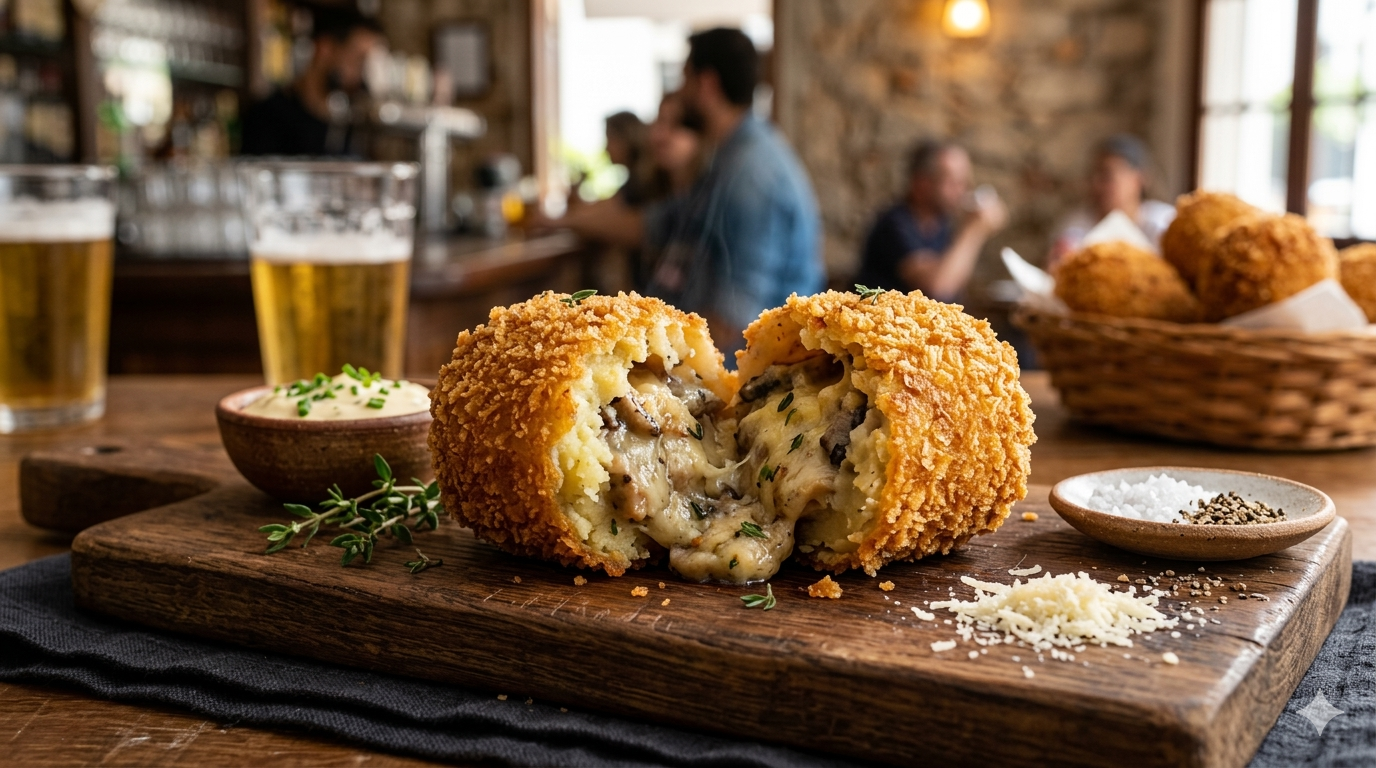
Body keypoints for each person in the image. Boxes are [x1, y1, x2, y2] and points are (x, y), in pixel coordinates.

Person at [643, 28, 823, 355]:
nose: (680, 92)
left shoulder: (750, 171)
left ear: (707, 85)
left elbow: (736, 320)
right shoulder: (729, 155)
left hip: (746, 376)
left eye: (685, 79)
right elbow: (660, 223)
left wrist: (648, 356)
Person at [854, 140, 1007, 304]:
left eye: (964, 182)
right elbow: (937, 289)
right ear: (922, 184)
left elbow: (955, 284)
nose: (962, 190)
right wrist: (975, 230)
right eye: (954, 182)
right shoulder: (894, 225)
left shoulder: (941, 225)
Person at [239, 10, 384, 156]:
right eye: (358, 59)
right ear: (325, 48)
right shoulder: (267, 117)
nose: (361, 74)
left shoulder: (344, 125)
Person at [1048, 134, 1176, 270]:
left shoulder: (1164, 224)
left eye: (1107, 175)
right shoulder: (1075, 227)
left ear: (1138, 179)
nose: (1096, 184)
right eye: (1093, 175)